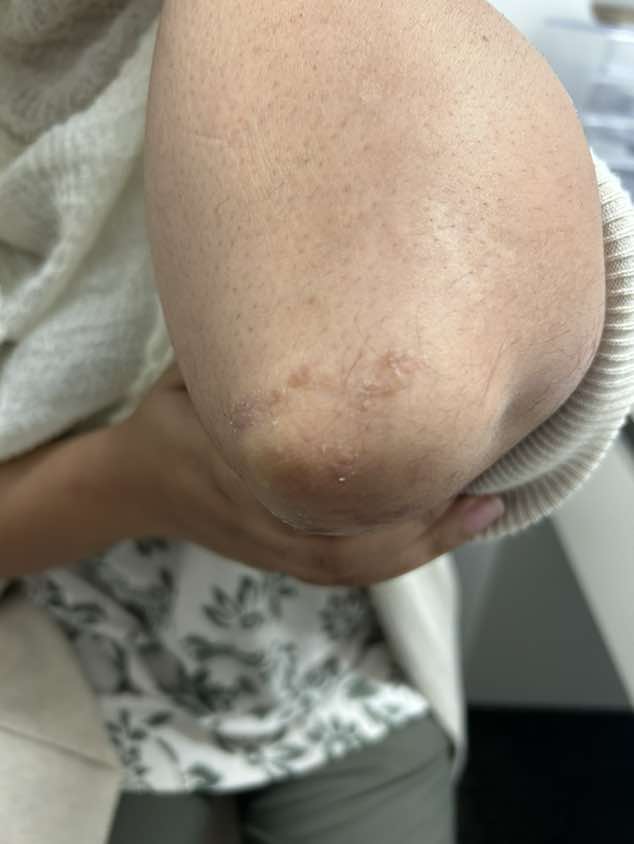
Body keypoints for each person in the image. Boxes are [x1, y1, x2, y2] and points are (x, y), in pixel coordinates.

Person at [0, 1, 633, 843]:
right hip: (66, 674)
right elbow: (342, 430)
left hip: (344, 666)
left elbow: (380, 417)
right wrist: (130, 482)